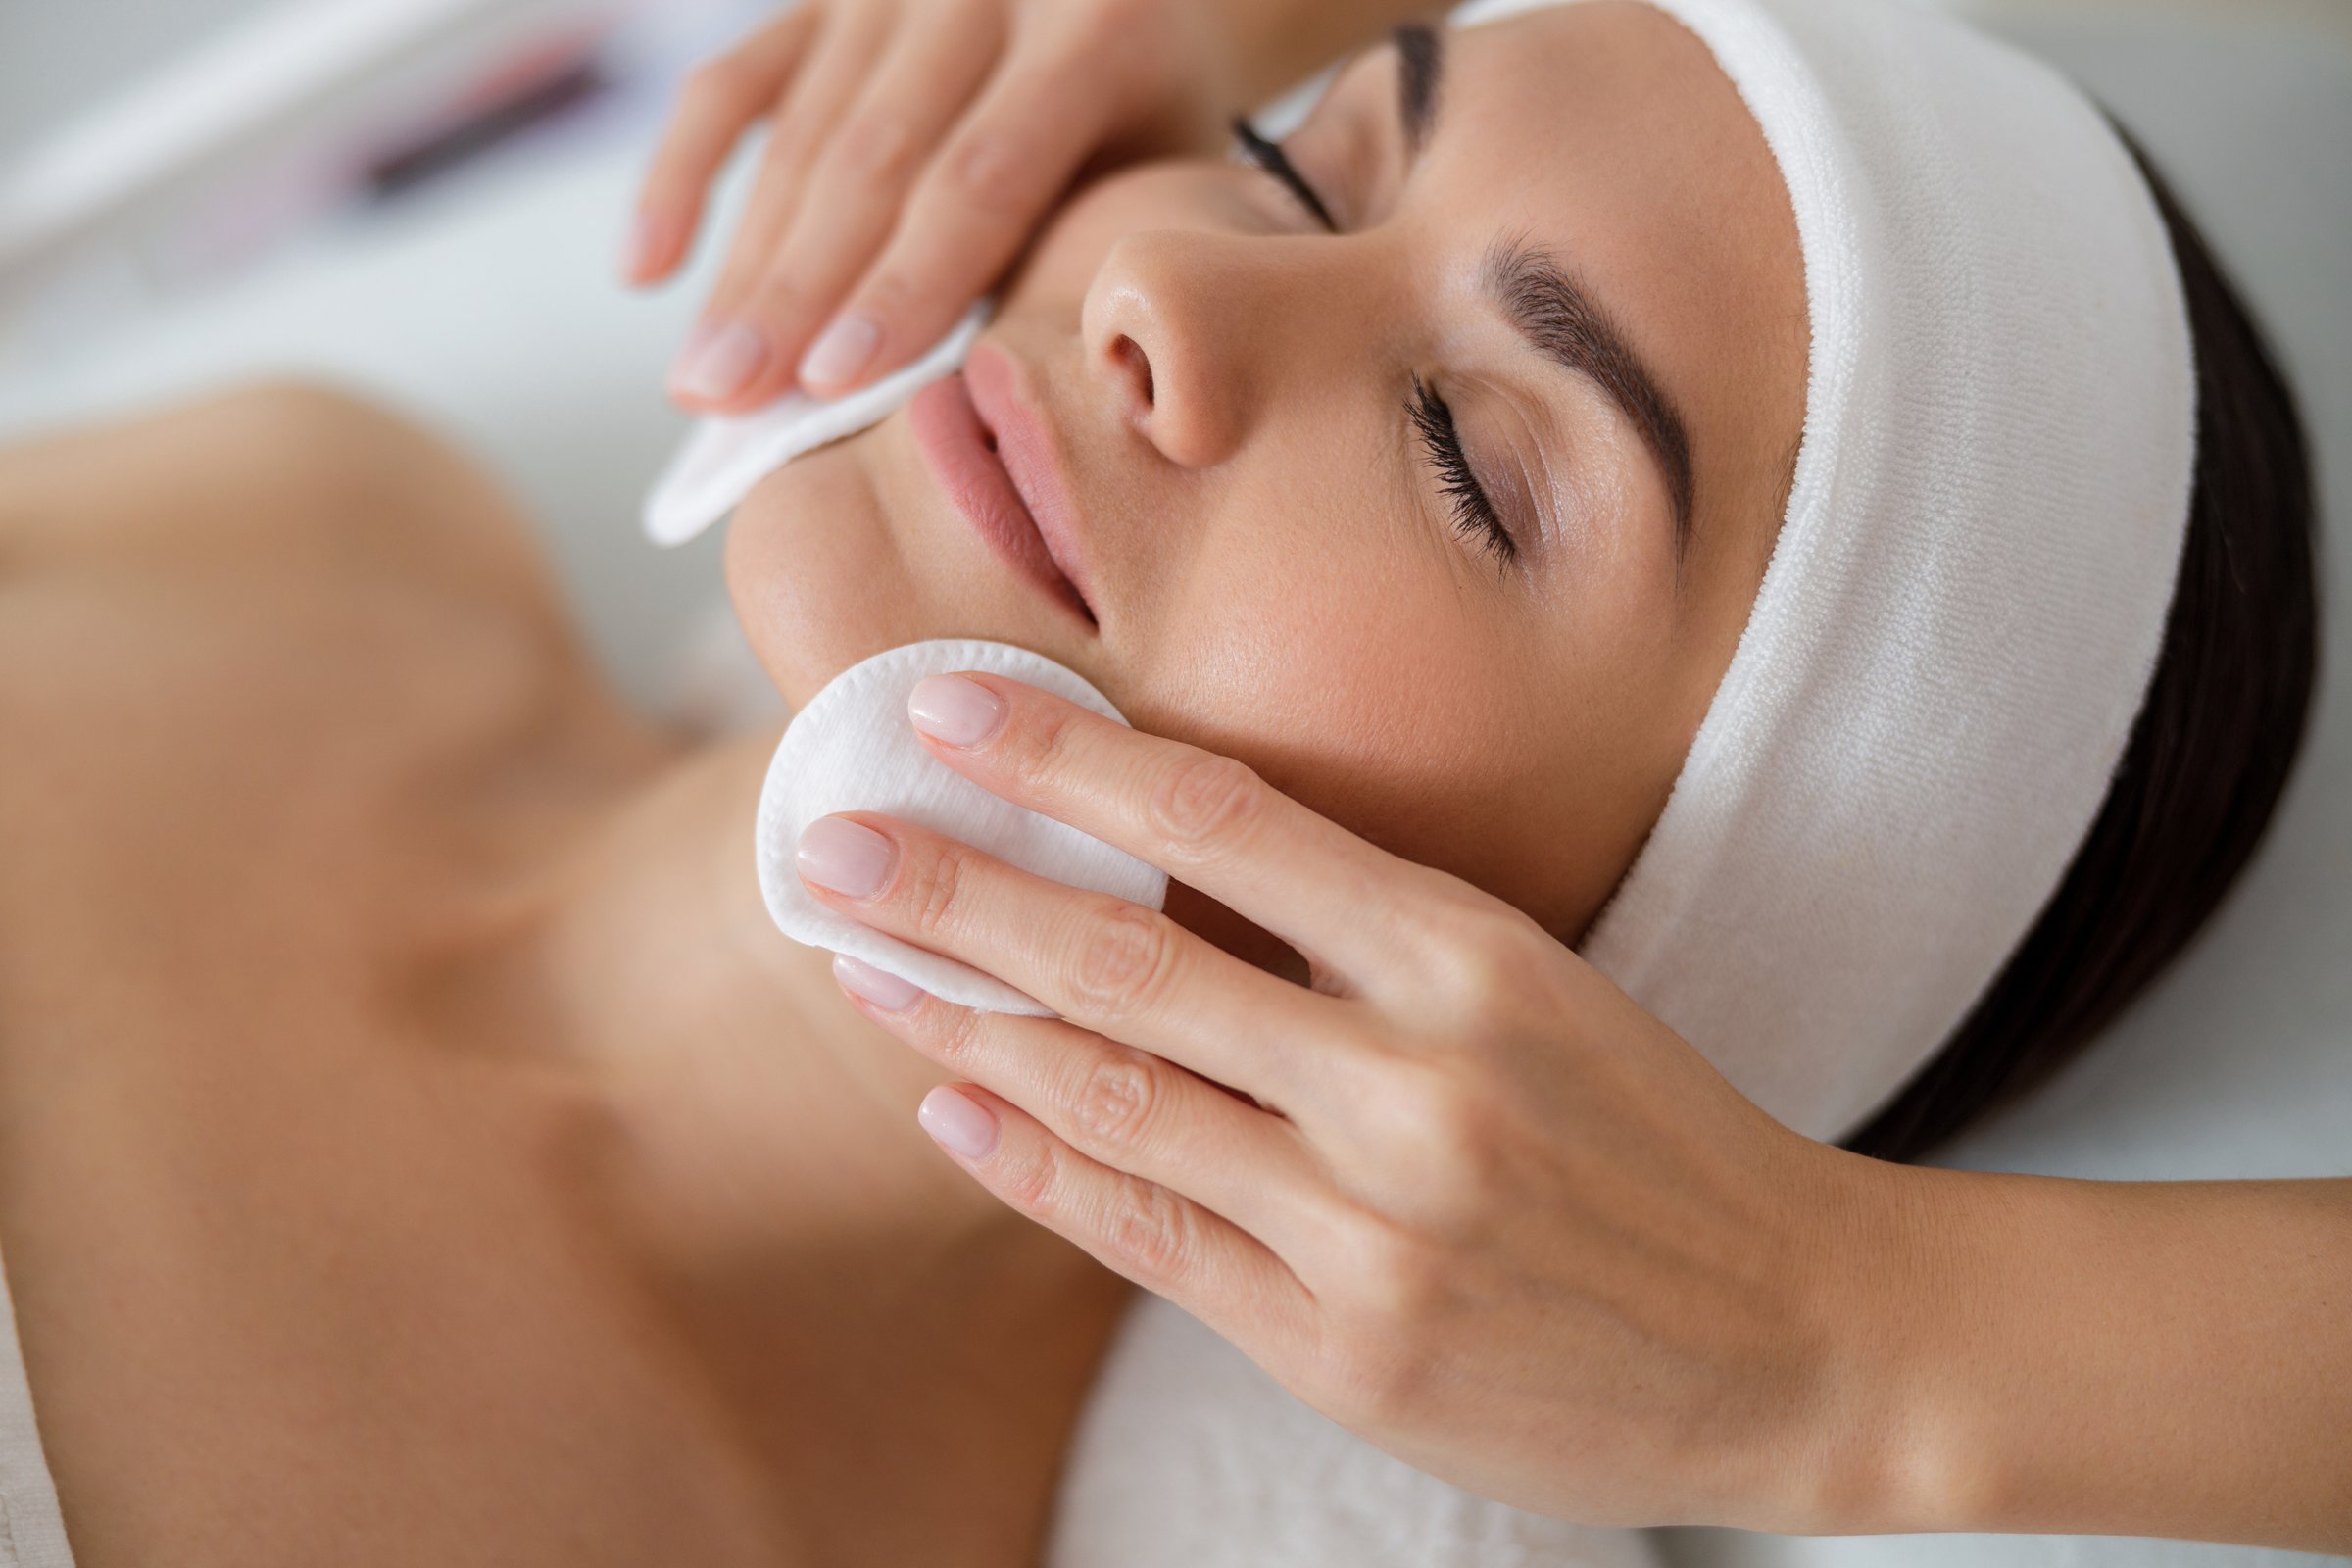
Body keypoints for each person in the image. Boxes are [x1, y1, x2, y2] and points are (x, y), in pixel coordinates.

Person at [0, 7, 2326, 1568]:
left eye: (1469, 457)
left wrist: (1840, 1353)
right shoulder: (294, 519)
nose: (1165, 293)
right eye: (1302, 165)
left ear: (1592, 1039)